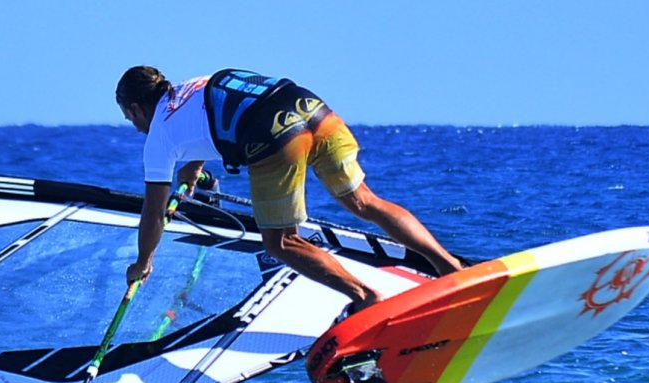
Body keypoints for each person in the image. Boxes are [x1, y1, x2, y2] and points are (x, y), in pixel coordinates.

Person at [115, 66, 463, 311]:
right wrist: (192, 168)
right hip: (310, 107)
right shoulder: (192, 86)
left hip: (274, 135)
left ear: (135, 108)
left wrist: (143, 261)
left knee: (280, 242)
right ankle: (450, 266)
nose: (134, 126)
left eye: (130, 118)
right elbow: (210, 119)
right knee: (364, 201)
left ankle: (364, 296)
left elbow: (154, 213)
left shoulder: (158, 138)